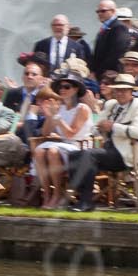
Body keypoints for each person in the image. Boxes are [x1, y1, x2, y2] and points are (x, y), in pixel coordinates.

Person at [64, 75, 138, 211]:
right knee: (74, 155)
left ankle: (86, 201)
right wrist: (99, 128)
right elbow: (94, 128)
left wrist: (113, 127)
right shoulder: (111, 105)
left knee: (89, 155)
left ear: (132, 91)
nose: (120, 93)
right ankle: (81, 197)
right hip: (108, 149)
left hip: (128, 153)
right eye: (117, 90)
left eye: (124, 90)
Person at [30, 77, 93, 208]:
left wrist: (57, 117)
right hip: (62, 145)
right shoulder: (60, 108)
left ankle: (57, 194)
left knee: (52, 151)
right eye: (60, 87)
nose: (62, 90)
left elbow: (71, 133)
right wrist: (49, 115)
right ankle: (47, 194)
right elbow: (45, 133)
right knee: (40, 151)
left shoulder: (83, 108)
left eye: (67, 87)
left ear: (75, 89)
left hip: (79, 147)